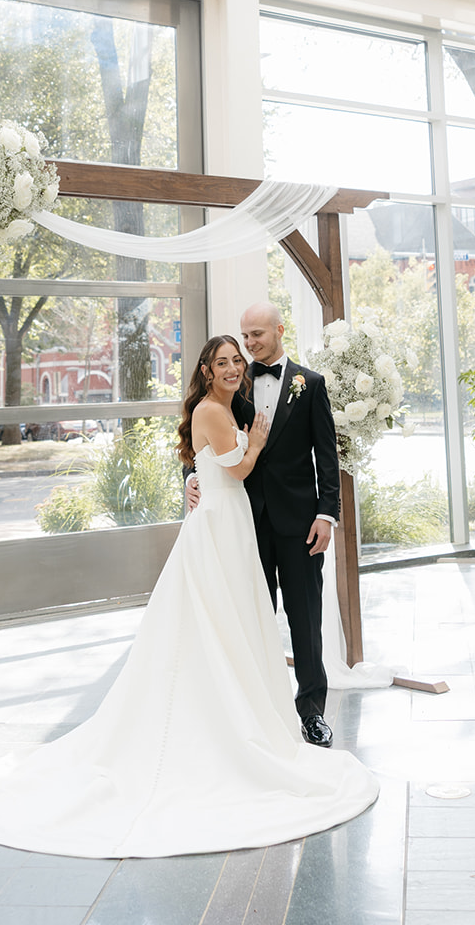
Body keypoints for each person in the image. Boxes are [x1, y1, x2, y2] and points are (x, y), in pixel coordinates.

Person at [0, 335, 378, 858]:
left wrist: (325, 511)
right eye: (229, 354)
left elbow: (318, 451)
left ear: (272, 339)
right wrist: (207, 470)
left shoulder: (296, 386)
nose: (239, 357)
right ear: (207, 368)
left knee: (287, 617)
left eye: (244, 351)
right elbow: (225, 458)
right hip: (231, 524)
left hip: (281, 524)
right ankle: (224, 719)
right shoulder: (222, 403)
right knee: (228, 618)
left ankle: (306, 710)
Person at [185, 302, 340, 748]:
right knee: (249, 617)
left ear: (278, 330)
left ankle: (311, 712)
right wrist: (192, 479)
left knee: (305, 620)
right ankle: (256, 712)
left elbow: (326, 458)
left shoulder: (309, 384)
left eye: (257, 334)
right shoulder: (233, 381)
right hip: (242, 524)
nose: (249, 344)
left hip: (300, 524)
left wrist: (326, 515)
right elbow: (199, 440)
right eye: (244, 336)